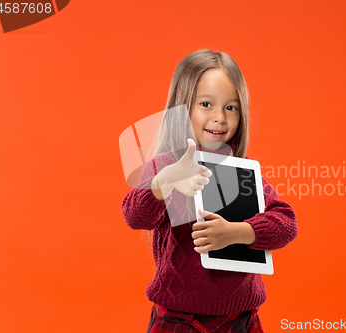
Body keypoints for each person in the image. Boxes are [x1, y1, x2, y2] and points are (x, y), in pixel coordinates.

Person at [121, 49, 298, 333]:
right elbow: (135, 215)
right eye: (206, 104)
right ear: (182, 108)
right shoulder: (167, 166)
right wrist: (163, 182)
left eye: (231, 107)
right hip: (178, 317)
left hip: (241, 317)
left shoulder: (243, 172)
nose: (220, 118)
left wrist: (238, 232)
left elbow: (286, 222)